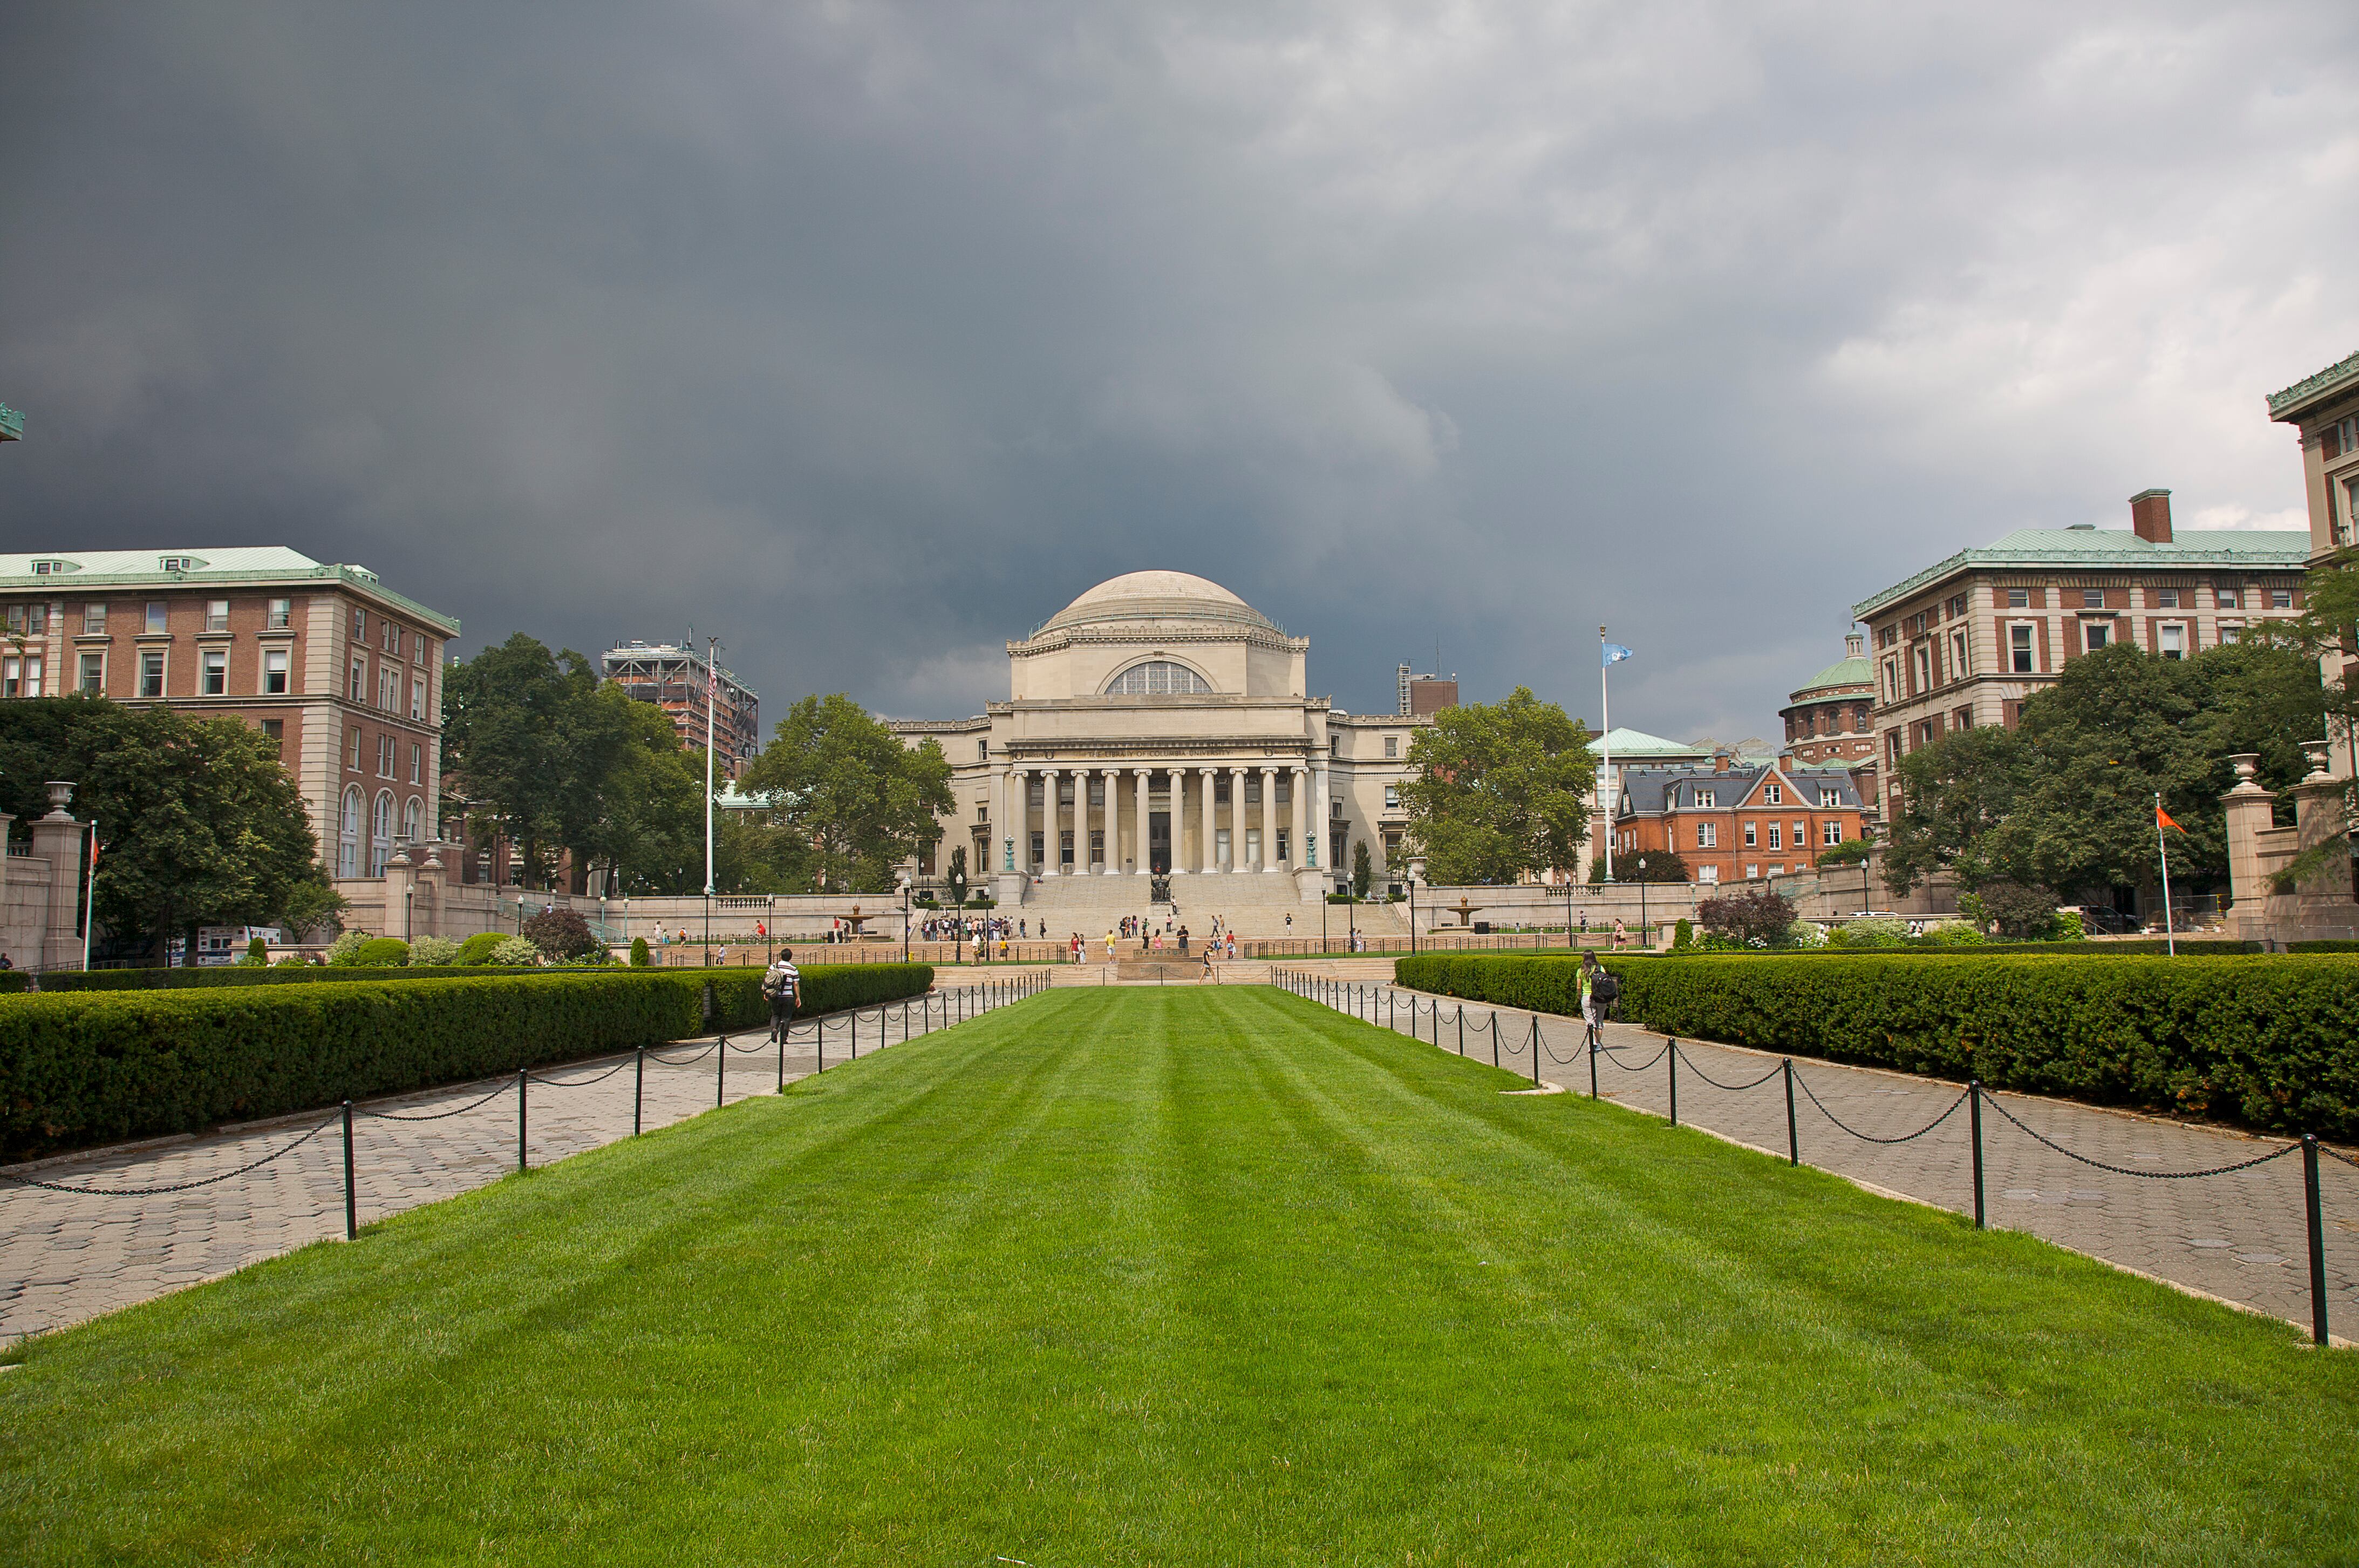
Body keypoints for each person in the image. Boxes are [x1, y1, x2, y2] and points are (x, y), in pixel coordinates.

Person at [761, 947, 801, 1044]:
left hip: (775, 995)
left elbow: (767, 980)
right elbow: (795, 984)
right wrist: (798, 997)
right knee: (786, 1018)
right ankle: (784, 1038)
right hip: (788, 996)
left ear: (781, 956)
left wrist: (766, 993)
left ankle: (774, 1030)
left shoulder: (774, 966)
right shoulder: (793, 969)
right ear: (790, 958)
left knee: (775, 1015)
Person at [1578, 952, 1608, 1049]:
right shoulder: (1600, 968)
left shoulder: (1581, 970)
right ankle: (1597, 1044)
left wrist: (1579, 995)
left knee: (1590, 1022)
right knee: (1599, 1021)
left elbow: (1579, 986)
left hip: (1587, 997)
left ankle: (1592, 1043)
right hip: (1600, 997)